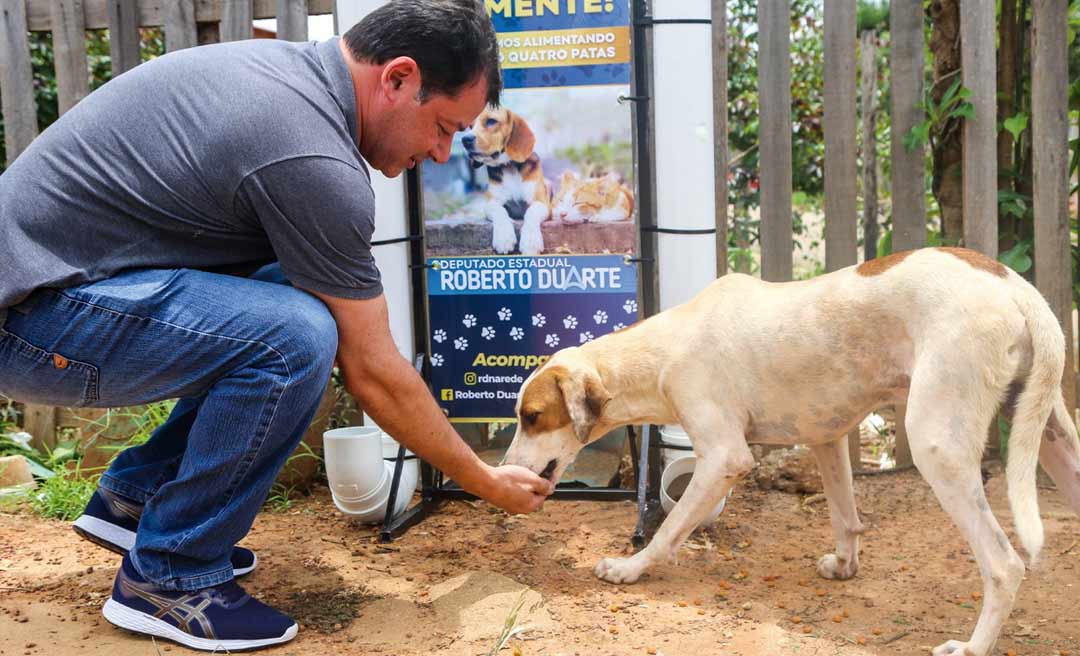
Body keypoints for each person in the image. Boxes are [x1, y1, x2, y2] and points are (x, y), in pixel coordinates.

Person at [0, 1, 553, 650]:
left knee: (293, 296)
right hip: (33, 320)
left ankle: (140, 503)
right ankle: (168, 578)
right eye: (442, 128)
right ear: (398, 78)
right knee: (296, 336)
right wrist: (482, 480)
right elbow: (371, 369)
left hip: (57, 293)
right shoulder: (308, 155)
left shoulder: (287, 80)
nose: (437, 154)